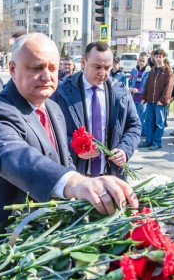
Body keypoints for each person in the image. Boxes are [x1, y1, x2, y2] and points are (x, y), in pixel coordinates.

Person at [0, 33, 139, 248]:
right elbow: (17, 156)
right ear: (12, 69)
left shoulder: (52, 107)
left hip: (43, 241)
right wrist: (76, 183)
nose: (47, 76)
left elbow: (64, 163)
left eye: (52, 68)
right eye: (36, 68)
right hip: (4, 247)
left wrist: (92, 187)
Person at [55, 41, 141, 179]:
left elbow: (134, 126)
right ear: (83, 63)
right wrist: (74, 147)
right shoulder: (63, 92)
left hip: (112, 176)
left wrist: (125, 149)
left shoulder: (121, 93)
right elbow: (51, 132)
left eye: (107, 68)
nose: (103, 73)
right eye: (97, 67)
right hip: (76, 179)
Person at [140, 49, 174, 151]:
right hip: (150, 101)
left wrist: (163, 100)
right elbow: (147, 85)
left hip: (160, 102)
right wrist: (144, 97)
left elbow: (169, 87)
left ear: (163, 57)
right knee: (148, 121)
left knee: (159, 123)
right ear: (153, 58)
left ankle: (157, 142)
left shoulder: (168, 71)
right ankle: (148, 141)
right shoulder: (153, 70)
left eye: (160, 56)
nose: (158, 58)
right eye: (156, 56)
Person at [128, 52, 149, 145]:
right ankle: (135, 132)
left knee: (142, 117)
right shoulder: (134, 70)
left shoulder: (148, 72)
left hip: (142, 99)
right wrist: (130, 88)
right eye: (139, 61)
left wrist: (138, 90)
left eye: (143, 61)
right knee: (134, 117)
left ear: (146, 61)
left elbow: (147, 87)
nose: (141, 63)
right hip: (133, 97)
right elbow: (130, 82)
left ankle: (142, 134)